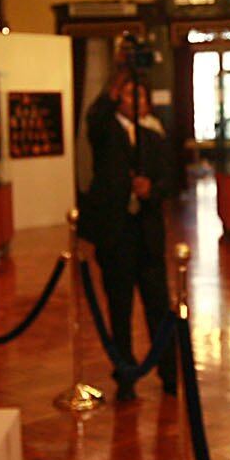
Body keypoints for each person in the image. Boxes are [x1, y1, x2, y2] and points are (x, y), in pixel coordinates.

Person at [80, 69, 174, 400]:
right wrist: (115, 85)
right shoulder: (105, 131)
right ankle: (125, 372)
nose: (138, 102)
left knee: (158, 305)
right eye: (131, 96)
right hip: (116, 234)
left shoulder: (155, 138)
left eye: (142, 96)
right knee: (119, 307)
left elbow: (169, 181)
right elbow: (96, 114)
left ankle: (169, 371)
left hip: (147, 235)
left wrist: (153, 190)